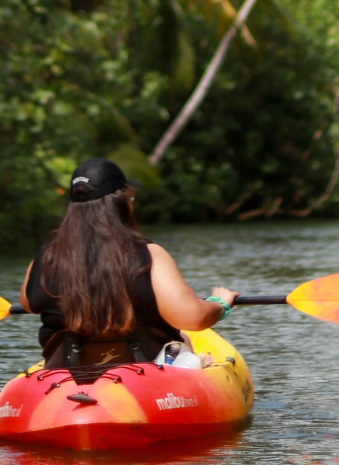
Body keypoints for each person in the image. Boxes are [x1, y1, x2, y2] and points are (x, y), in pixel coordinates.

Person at [19, 158, 238, 374]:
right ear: (120, 203)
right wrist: (219, 304)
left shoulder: (45, 258)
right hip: (141, 374)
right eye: (129, 196)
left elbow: (28, 303)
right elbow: (193, 317)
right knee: (185, 338)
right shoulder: (148, 256)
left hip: (63, 372)